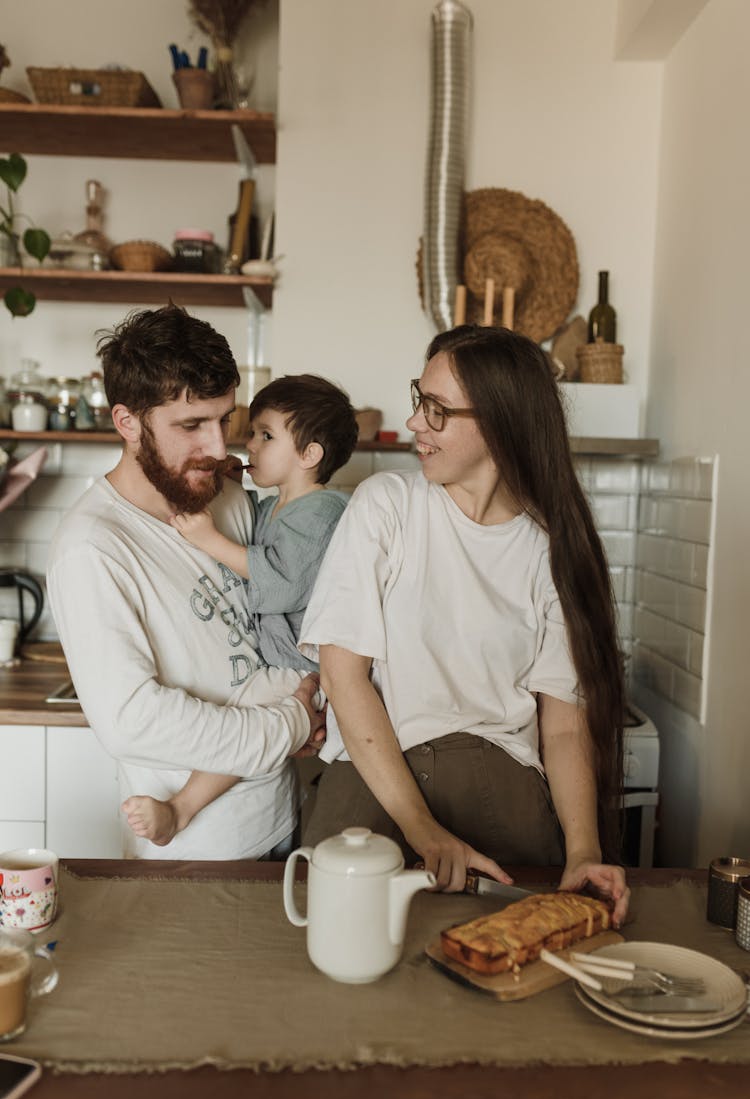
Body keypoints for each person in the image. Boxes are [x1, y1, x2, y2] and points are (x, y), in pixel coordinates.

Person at [299, 325, 630, 924]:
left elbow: (562, 727)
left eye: (438, 410)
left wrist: (584, 852)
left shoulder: (549, 551)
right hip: (375, 792)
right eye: (418, 399)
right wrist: (424, 831)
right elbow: (342, 676)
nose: (416, 423)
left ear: (500, 422)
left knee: (513, 984)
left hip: (502, 795)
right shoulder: (386, 506)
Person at [46, 305, 328, 861]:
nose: (221, 449)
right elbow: (134, 720)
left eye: (224, 420)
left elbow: (278, 627)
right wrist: (292, 723)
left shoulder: (220, 498)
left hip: (280, 817)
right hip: (195, 850)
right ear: (128, 423)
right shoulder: (91, 549)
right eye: (191, 425)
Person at [121, 373, 358, 846]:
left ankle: (181, 808)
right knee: (244, 716)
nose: (248, 443)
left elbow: (284, 581)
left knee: (246, 719)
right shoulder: (278, 505)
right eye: (251, 431)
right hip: (281, 662)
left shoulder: (325, 510)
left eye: (265, 436)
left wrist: (210, 539)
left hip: (305, 664)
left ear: (310, 456)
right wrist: (231, 482)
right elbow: (260, 527)